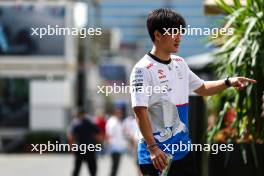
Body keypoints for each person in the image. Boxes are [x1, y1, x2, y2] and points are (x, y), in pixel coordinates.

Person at [130, 8, 257, 176]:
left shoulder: (180, 63)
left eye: (180, 32)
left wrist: (228, 82)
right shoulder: (142, 69)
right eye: (173, 32)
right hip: (158, 157)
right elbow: (139, 110)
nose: (178, 37)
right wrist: (153, 148)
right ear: (158, 35)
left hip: (183, 153)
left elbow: (202, 88)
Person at [67, 108, 102, 176]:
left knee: (77, 169)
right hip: (90, 148)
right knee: (92, 169)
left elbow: (71, 136)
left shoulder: (76, 123)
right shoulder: (90, 122)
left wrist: (71, 147)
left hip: (80, 148)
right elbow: (98, 134)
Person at [106, 108, 127, 176]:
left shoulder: (117, 121)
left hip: (117, 147)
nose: (121, 115)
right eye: (119, 113)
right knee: (114, 166)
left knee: (115, 166)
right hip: (114, 147)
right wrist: (111, 144)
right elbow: (109, 134)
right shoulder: (113, 122)